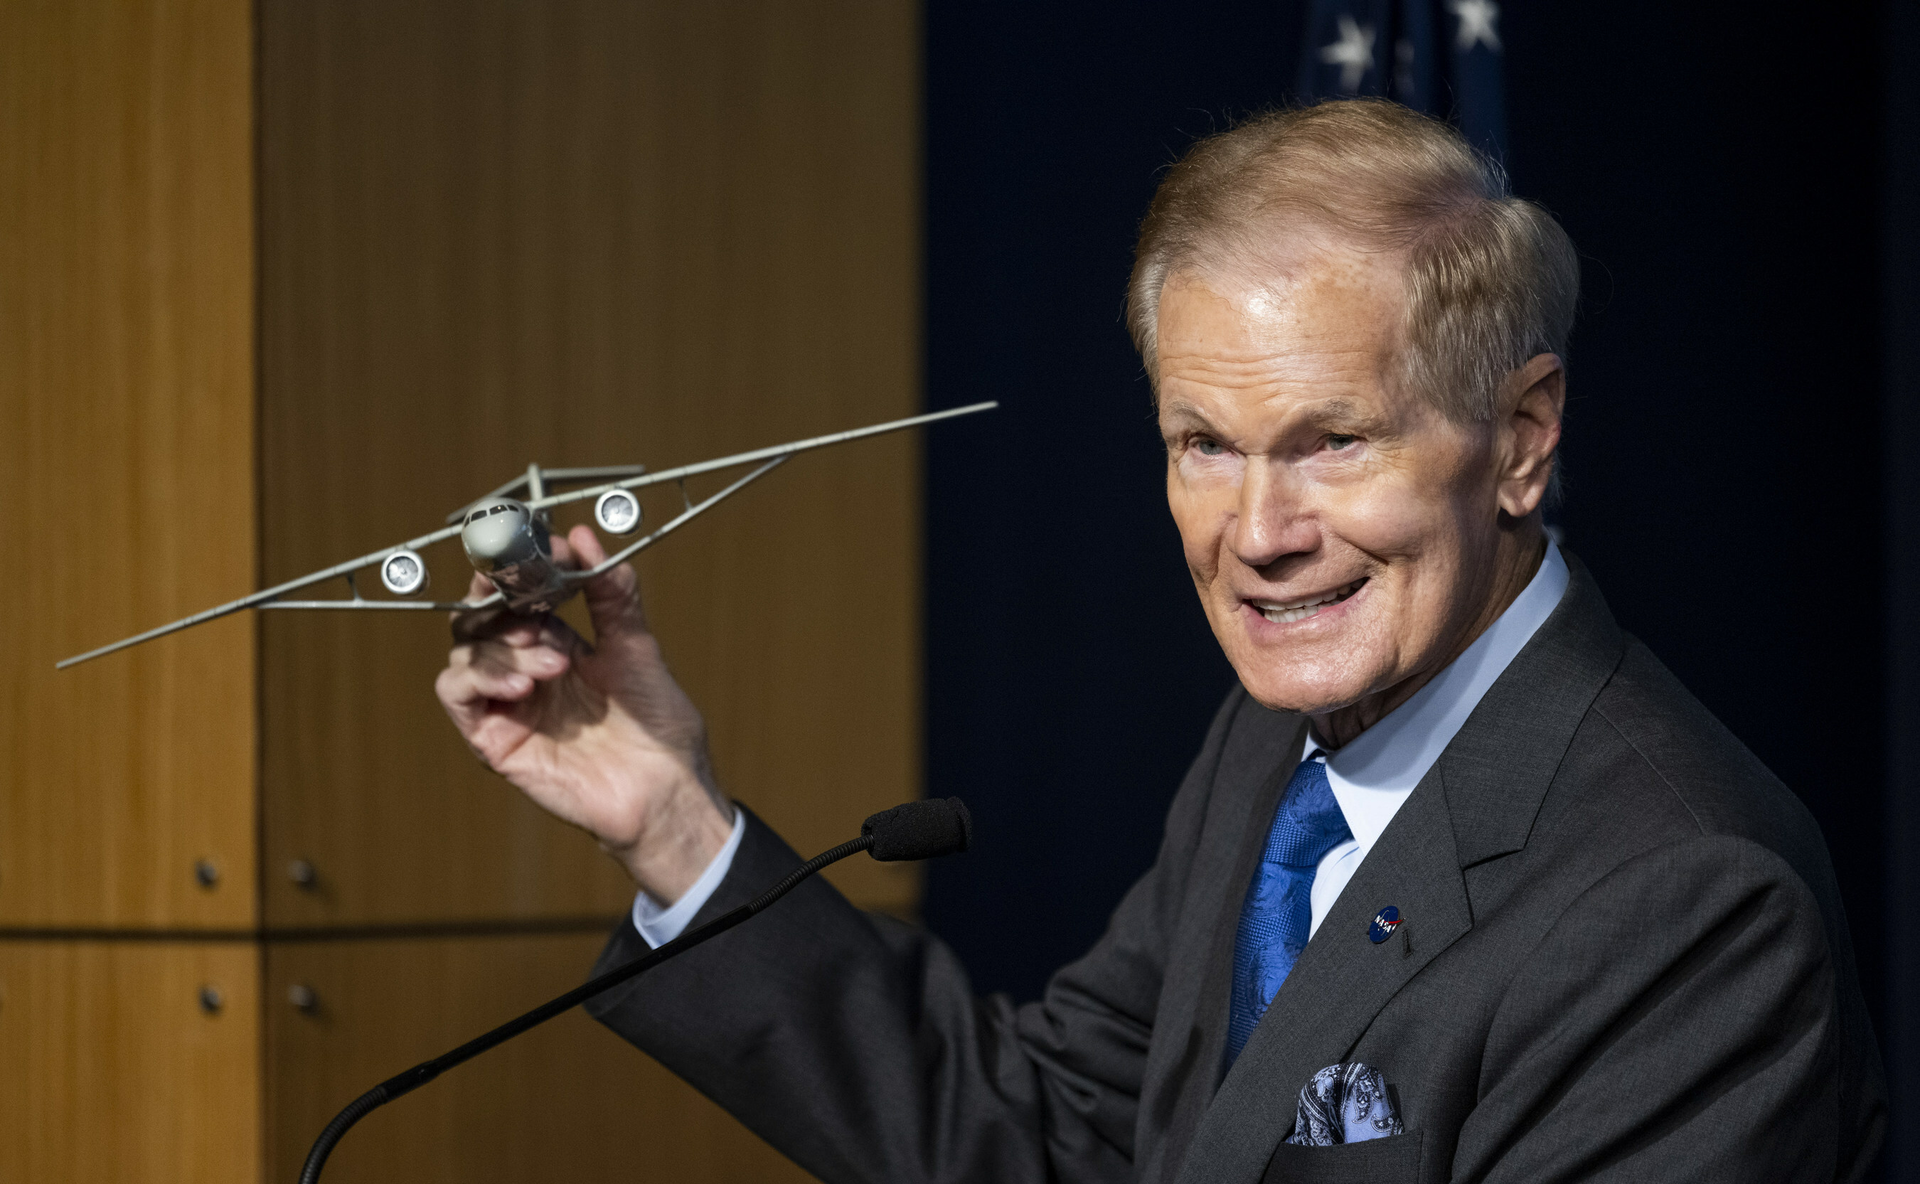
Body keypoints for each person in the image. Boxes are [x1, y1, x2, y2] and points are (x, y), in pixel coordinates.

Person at [434, 99, 1885, 1182]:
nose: (1258, 533)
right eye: (1205, 444)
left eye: (1332, 441)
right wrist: (674, 824)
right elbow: (1054, 1137)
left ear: (1520, 439)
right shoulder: (1279, 741)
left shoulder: (1693, 900)